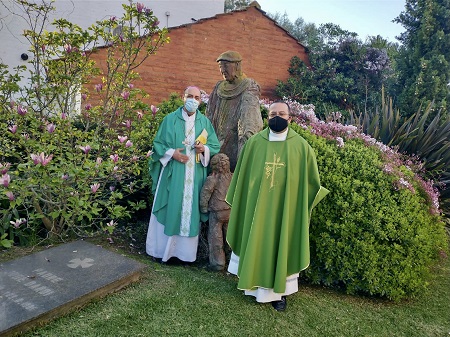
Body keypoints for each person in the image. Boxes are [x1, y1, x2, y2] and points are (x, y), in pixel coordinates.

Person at [225, 101, 329, 311]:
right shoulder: (254, 144)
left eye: (282, 114)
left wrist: (302, 203)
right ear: (267, 117)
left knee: (281, 244)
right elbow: (242, 180)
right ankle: (252, 288)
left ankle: (278, 295)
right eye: (273, 114)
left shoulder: (301, 147)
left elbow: (309, 184)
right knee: (256, 240)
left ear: (290, 118)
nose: (277, 117)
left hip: (285, 211)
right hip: (257, 209)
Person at [146, 86, 221, 263]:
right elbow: (158, 144)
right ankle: (161, 252)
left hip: (194, 176)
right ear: (183, 97)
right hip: (173, 173)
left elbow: (214, 145)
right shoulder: (169, 119)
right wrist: (173, 154)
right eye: (190, 96)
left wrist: (204, 149)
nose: (193, 100)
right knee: (171, 207)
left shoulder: (204, 122)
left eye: (197, 97)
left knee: (189, 211)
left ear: (200, 101)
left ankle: (184, 255)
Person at [206, 50, 263, 171]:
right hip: (216, 142)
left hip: (235, 143)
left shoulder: (249, 86)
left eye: (226, 66)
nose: (222, 71)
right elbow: (209, 115)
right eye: (220, 67)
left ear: (237, 65)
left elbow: (249, 121)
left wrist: (244, 147)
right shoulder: (219, 87)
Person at [199, 153, 232, 271]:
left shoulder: (212, 179)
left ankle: (218, 263)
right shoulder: (232, 177)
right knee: (230, 236)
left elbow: (205, 193)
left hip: (216, 212)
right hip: (229, 210)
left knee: (215, 237)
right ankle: (232, 260)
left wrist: (203, 208)